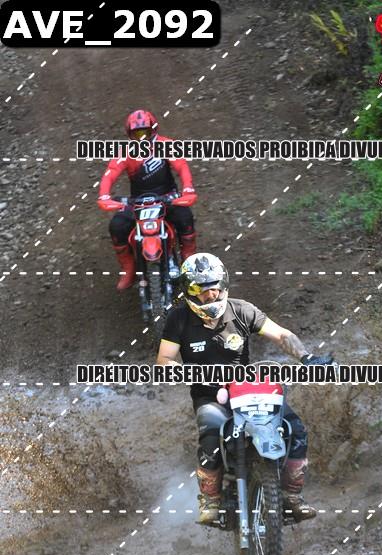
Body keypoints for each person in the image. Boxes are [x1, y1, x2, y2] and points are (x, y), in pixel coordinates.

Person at [156, 253, 333, 525]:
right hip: (208, 395)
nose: (210, 296)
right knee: (212, 433)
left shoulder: (241, 310)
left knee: (295, 428)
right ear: (189, 292)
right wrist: (182, 372)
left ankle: (291, 496)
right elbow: (164, 359)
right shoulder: (178, 319)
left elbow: (281, 335)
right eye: (201, 291)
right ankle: (210, 499)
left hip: (247, 389)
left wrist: (307, 358)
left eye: (214, 289)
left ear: (223, 285)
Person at [97, 110, 197, 291]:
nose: (142, 138)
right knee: (117, 226)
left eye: (145, 132)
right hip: (138, 201)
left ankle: (188, 258)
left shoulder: (166, 145)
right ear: (130, 135)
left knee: (185, 218)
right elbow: (110, 173)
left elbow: (181, 166)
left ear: (153, 130)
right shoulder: (126, 152)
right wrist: (104, 194)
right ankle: (129, 269)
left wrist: (188, 189)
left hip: (167, 196)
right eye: (137, 134)